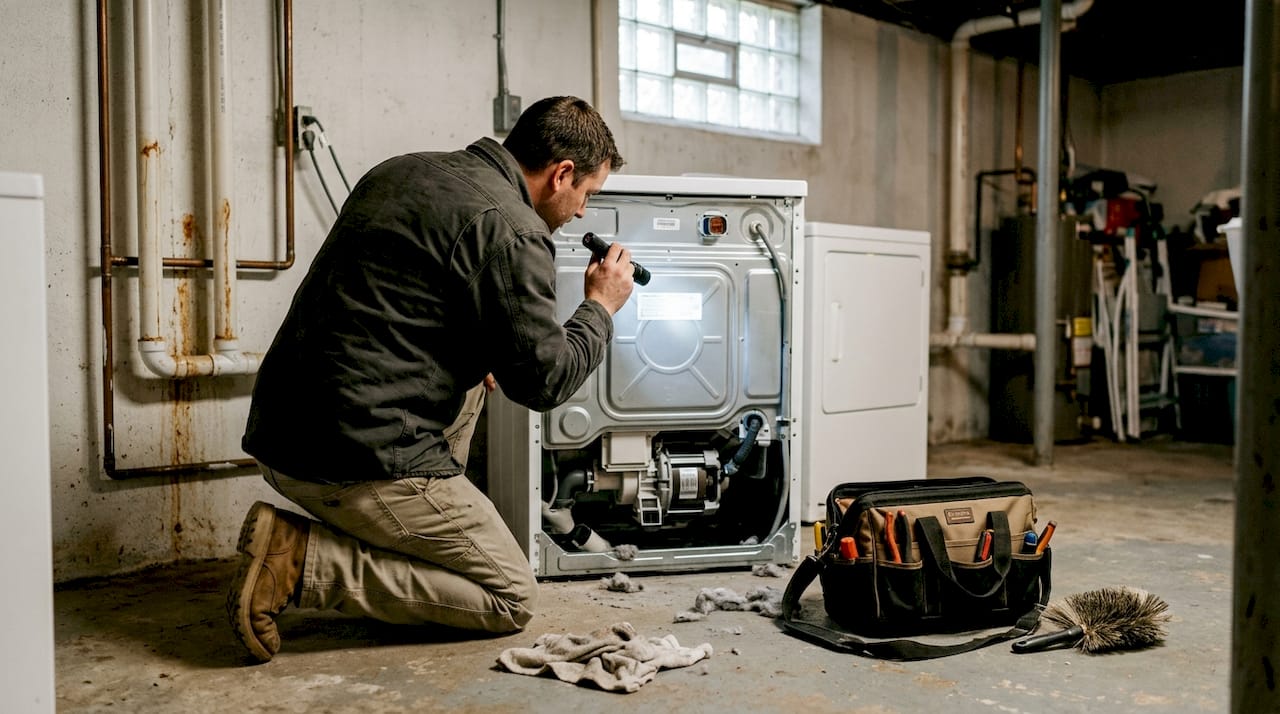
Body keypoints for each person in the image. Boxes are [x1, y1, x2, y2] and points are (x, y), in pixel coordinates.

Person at [227, 96, 632, 663]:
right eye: (586, 194)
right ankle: (301, 562)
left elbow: (398, 303)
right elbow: (545, 383)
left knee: (477, 376)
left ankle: (429, 538)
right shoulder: (515, 231)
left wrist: (484, 345)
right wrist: (600, 307)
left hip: (281, 429)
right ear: (561, 173)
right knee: (510, 595)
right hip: (350, 457)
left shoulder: (403, 169)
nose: (583, 212)